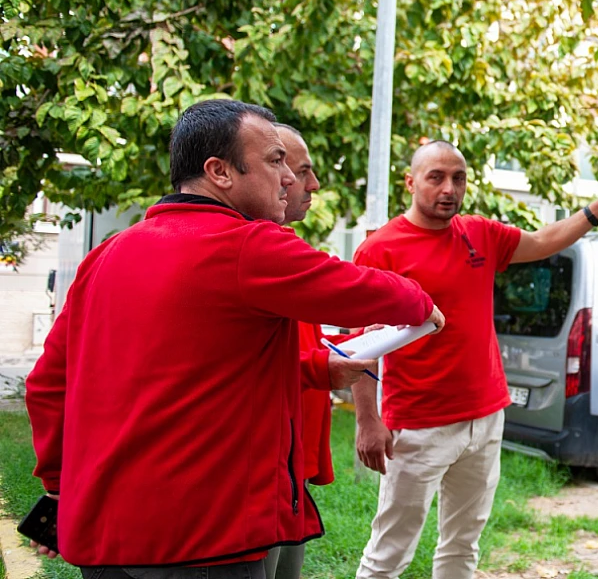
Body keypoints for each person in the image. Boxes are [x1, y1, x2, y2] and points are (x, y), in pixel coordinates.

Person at [25, 100, 443, 577]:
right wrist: (420, 301)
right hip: (203, 538)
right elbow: (365, 290)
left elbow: (47, 384)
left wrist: (59, 487)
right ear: (219, 172)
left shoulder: (105, 255)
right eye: (274, 160)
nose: (288, 177)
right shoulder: (247, 244)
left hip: (103, 537)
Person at [353, 141, 598, 579]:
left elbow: (542, 241)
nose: (449, 188)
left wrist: (592, 214)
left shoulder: (479, 233)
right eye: (436, 177)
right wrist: (366, 420)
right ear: (411, 182)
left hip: (486, 418)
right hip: (418, 423)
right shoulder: (381, 250)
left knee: (463, 545)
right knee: (390, 552)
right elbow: (359, 344)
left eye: (459, 178)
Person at [261, 123, 332, 579]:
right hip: (258, 477)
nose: (310, 183)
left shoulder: (286, 249)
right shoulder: (256, 252)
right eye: (299, 169)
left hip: (290, 468)